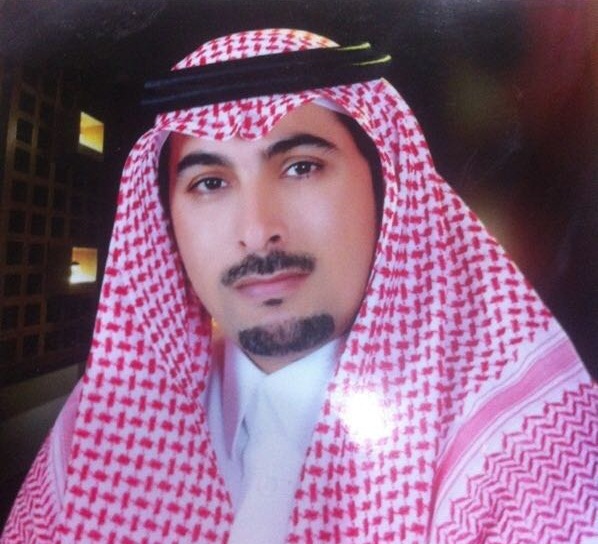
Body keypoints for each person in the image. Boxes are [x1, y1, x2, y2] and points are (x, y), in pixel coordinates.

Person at [2, 28, 597, 544]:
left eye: (301, 167)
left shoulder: (523, 444)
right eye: (210, 183)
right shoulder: (101, 428)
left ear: (386, 191)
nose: (257, 230)